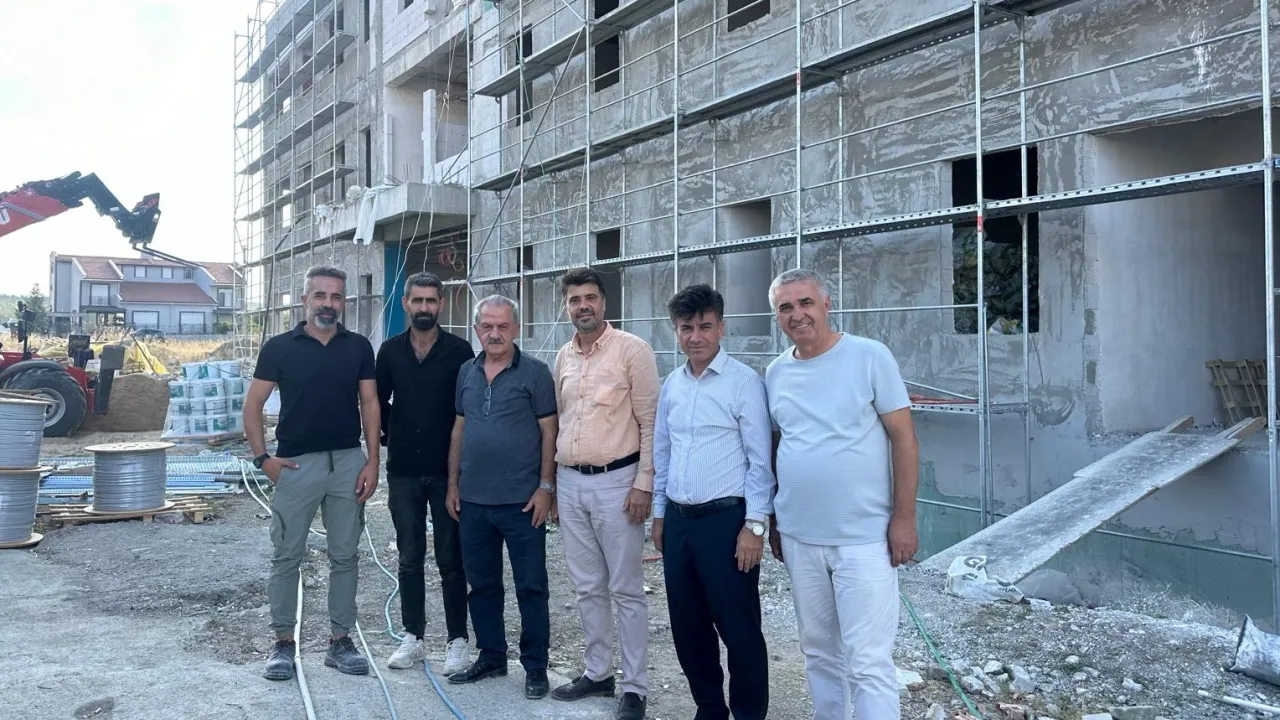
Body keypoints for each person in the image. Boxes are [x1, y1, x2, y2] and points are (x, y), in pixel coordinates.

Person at [764, 268, 920, 720]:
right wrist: (775, 520)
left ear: (826, 304)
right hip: (799, 535)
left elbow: (904, 438)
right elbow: (777, 446)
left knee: (868, 659)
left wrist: (904, 518)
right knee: (817, 649)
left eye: (805, 303)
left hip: (863, 538)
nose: (797, 314)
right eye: (786, 307)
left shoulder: (869, 357)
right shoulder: (776, 373)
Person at [244, 265, 382, 681]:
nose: (328, 303)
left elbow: (370, 403)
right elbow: (253, 405)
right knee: (287, 555)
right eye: (319, 295)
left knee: (345, 555)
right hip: (296, 465)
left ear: (344, 302)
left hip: (347, 464)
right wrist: (262, 459)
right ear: (304, 300)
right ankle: (283, 644)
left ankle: (340, 641)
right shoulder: (279, 348)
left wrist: (372, 461)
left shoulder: (358, 347)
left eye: (336, 296)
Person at [651, 284, 775, 720]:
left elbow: (760, 461)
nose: (696, 336)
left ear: (721, 328)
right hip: (679, 522)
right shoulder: (672, 385)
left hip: (727, 523)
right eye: (686, 328)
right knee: (688, 626)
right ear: (676, 331)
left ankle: (748, 714)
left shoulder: (744, 383)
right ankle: (709, 708)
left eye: (705, 326)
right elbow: (663, 451)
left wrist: (755, 525)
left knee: (739, 628)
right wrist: (660, 514)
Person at [550, 267, 659, 720]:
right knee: (587, 586)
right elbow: (560, 421)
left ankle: (634, 687)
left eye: (590, 298)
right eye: (575, 300)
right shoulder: (563, 357)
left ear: (604, 302)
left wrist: (644, 483)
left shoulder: (633, 351)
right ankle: (598, 672)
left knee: (626, 589)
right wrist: (553, 488)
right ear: (567, 306)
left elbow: (651, 423)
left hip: (619, 482)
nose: (583, 307)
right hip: (570, 482)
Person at [445, 294, 558, 700]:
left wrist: (546, 488)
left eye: (503, 326)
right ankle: (491, 655)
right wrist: (453, 484)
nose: (495, 334)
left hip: (522, 503)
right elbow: (459, 428)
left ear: (516, 329)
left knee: (531, 587)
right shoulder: (466, 371)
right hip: (473, 502)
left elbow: (549, 432)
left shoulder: (535, 373)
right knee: (482, 585)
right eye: (487, 326)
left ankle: (535, 666)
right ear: (477, 330)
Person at [375, 271, 475, 673]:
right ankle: (413, 637)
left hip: (447, 471)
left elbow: (467, 409)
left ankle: (457, 641)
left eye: (431, 300)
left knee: (452, 559)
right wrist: (391, 435)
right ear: (405, 304)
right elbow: (377, 403)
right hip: (403, 470)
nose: (424, 307)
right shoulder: (389, 352)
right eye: (417, 300)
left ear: (441, 305)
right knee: (409, 557)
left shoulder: (460, 351)